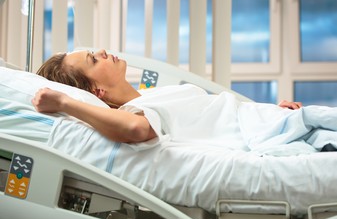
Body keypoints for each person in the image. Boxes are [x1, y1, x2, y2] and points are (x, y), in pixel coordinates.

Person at [32, 49, 302, 146]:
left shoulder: (153, 95)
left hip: (269, 122)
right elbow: (134, 128)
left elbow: (211, 117)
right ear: (96, 91)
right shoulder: (136, 110)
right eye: (93, 59)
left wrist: (269, 112)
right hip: (268, 133)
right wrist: (63, 102)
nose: (103, 51)